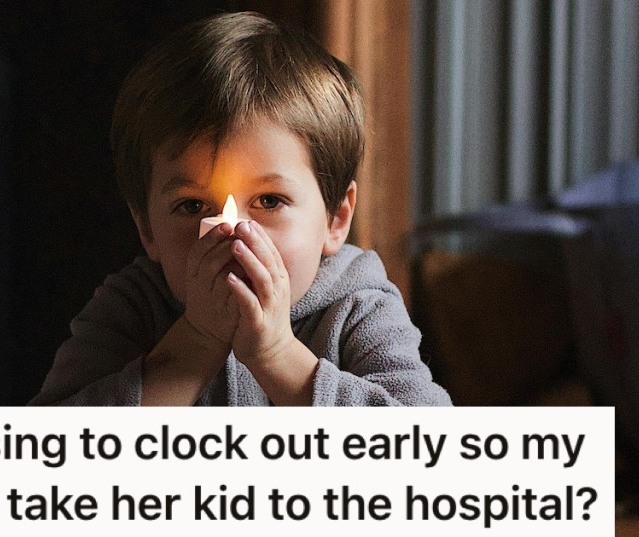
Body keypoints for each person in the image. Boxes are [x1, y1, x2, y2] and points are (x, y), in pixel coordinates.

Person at [30, 11, 451, 406]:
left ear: (335, 219)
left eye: (269, 201)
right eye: (192, 205)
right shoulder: (132, 306)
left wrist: (277, 354)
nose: (231, 233)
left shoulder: (361, 306)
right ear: (147, 229)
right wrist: (195, 341)